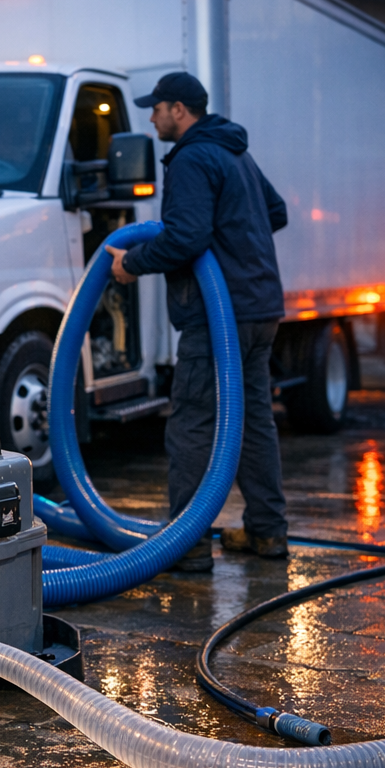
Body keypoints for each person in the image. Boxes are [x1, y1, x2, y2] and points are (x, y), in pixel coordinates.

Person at [105, 72, 289, 573]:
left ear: (179, 110)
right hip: (259, 310)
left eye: (157, 108)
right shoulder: (235, 151)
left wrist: (131, 263)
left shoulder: (191, 157)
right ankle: (267, 531)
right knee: (253, 422)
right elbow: (275, 212)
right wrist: (234, 241)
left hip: (218, 318)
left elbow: (185, 237)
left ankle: (186, 544)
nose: (151, 117)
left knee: (192, 423)